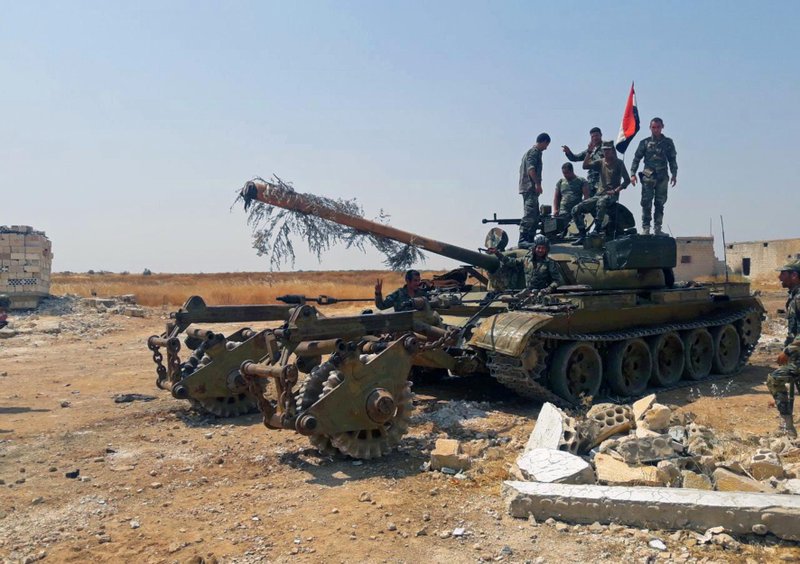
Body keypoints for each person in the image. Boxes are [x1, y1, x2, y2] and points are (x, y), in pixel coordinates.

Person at [571, 140, 631, 242]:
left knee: (601, 202)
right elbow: (585, 166)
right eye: (604, 150)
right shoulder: (601, 162)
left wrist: (616, 190)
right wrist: (589, 152)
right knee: (576, 209)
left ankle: (597, 229)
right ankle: (582, 235)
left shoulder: (619, 163)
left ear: (612, 150)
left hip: (611, 195)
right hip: (599, 194)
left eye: (608, 150)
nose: (606, 152)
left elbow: (627, 180)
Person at [766, 259, 800, 438]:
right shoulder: (794, 295)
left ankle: (788, 427)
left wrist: (788, 351)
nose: (779, 277)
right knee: (775, 379)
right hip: (797, 356)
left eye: (784, 273)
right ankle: (788, 427)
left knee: (774, 379)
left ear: (794, 275)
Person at [629, 117, 678, 236]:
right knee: (646, 203)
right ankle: (646, 228)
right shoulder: (644, 142)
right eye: (653, 127)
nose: (655, 130)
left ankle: (657, 228)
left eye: (658, 127)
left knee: (660, 203)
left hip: (662, 177)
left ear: (662, 127)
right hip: (648, 177)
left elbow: (672, 159)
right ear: (650, 128)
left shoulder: (668, 142)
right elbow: (637, 158)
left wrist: (674, 174)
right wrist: (633, 174)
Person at [490, 234, 566, 292]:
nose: (540, 250)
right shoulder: (526, 260)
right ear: (535, 248)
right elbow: (510, 262)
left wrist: (548, 289)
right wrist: (497, 253)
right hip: (528, 292)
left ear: (546, 250)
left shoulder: (550, 263)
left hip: (543, 293)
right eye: (539, 248)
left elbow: (557, 280)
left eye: (543, 248)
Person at [518, 133, 551, 247]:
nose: (546, 148)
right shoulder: (534, 152)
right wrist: (537, 184)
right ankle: (523, 239)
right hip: (529, 187)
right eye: (546, 145)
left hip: (529, 188)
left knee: (536, 215)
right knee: (530, 213)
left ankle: (530, 239)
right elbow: (531, 169)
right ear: (544, 141)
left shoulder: (533, 152)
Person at [562, 127, 603, 196]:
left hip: (602, 181)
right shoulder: (590, 150)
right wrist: (568, 152)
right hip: (591, 183)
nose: (595, 138)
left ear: (601, 135)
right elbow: (575, 158)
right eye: (592, 136)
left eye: (596, 135)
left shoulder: (606, 148)